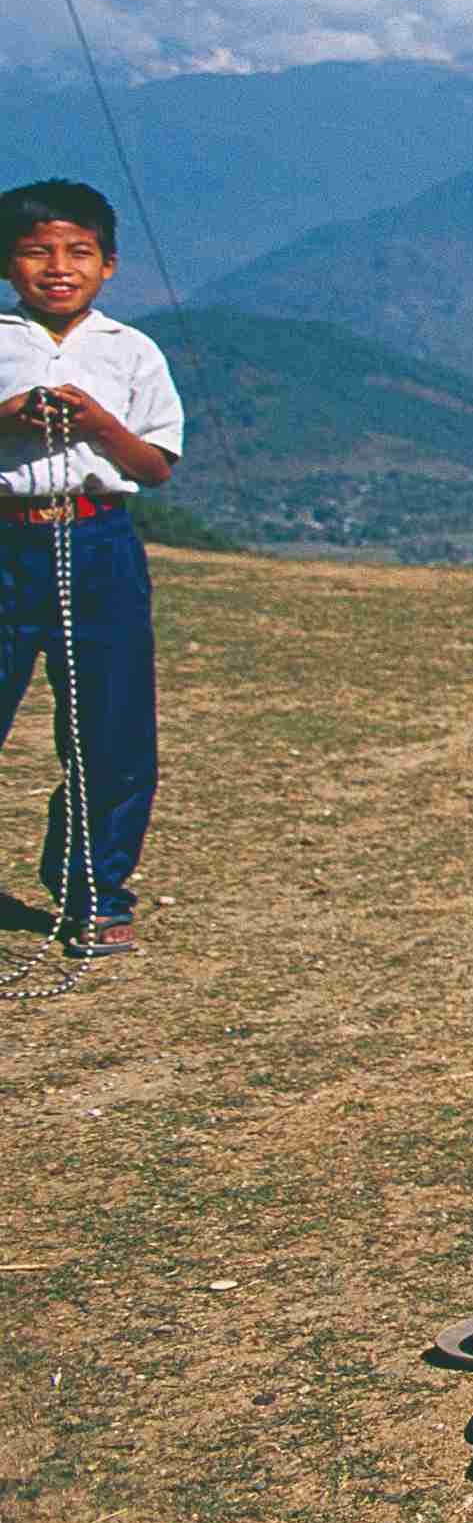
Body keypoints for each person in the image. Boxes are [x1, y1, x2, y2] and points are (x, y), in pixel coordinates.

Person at [0, 178, 186, 959]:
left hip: (98, 540)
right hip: (8, 541)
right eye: (37, 250)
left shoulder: (130, 350)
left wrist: (102, 424)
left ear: (109, 264)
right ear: (9, 263)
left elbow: (156, 463)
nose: (57, 267)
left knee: (109, 726)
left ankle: (96, 890)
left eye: (78, 251)